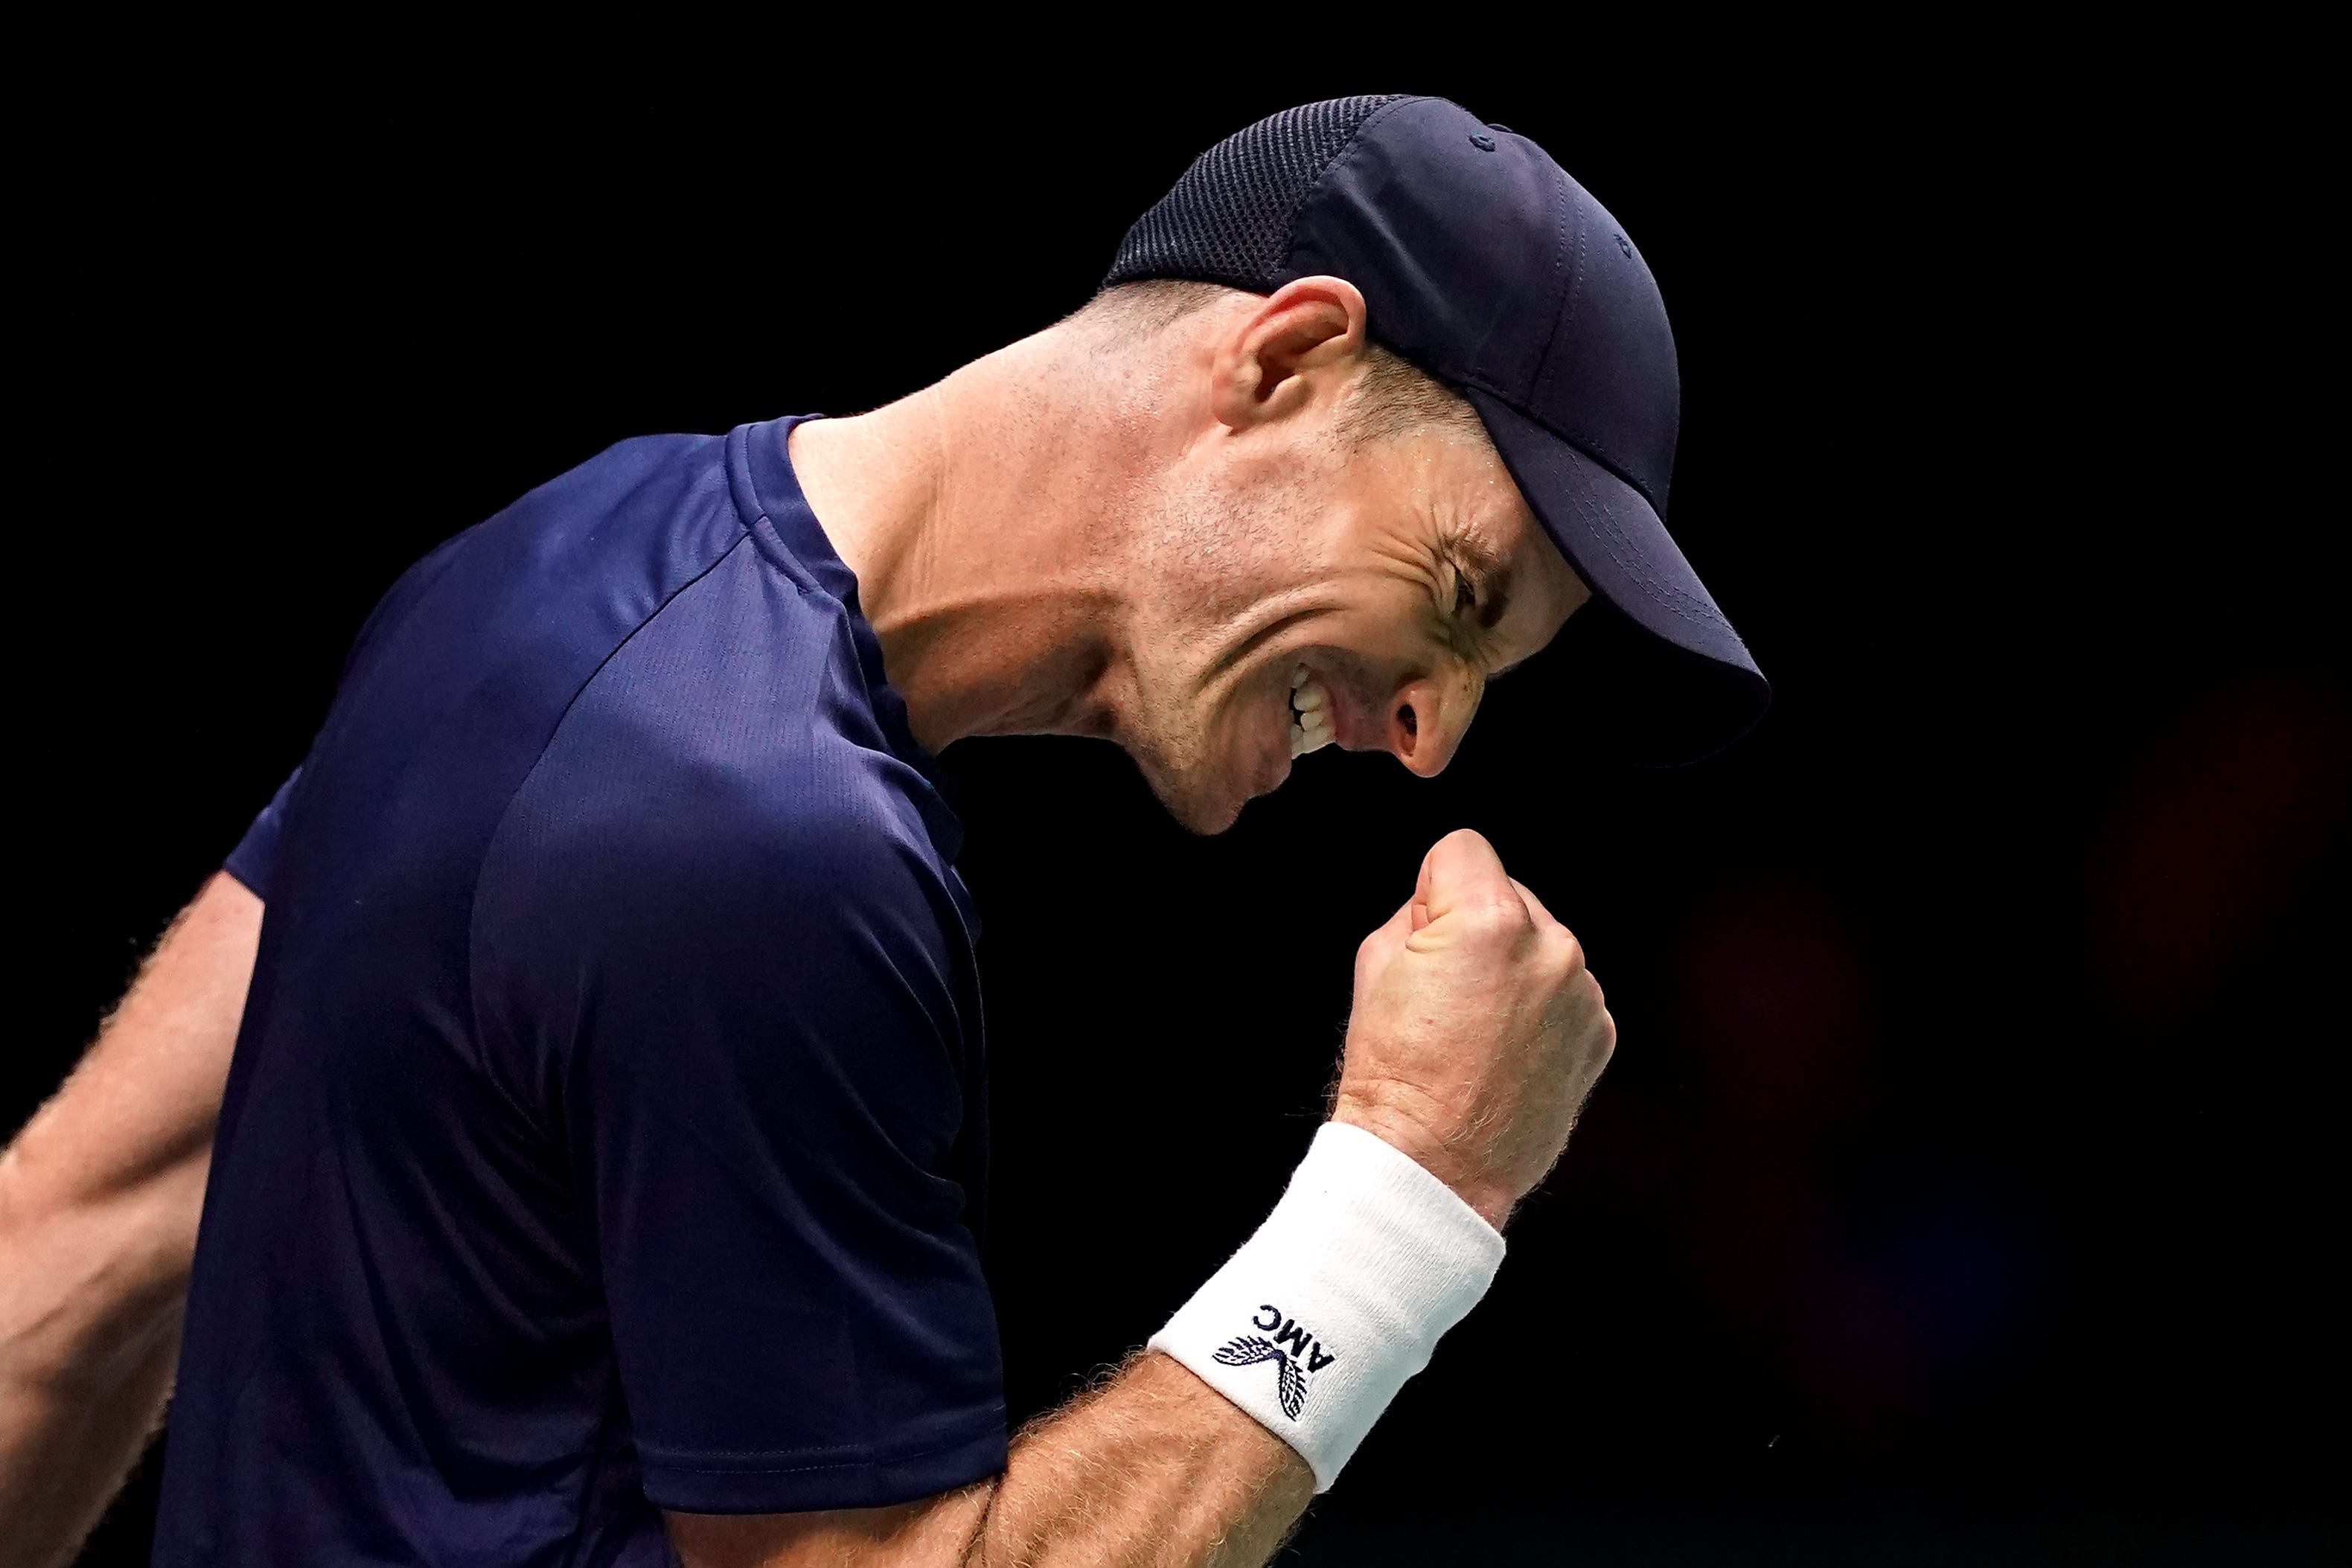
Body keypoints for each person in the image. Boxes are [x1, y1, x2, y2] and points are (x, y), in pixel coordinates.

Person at [0, 95, 1765, 1567]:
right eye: (1457, 600)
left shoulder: (556, 559)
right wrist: (1411, 1188)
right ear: (1288, 359)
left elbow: (71, 1259)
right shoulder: (760, 835)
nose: (1431, 736)